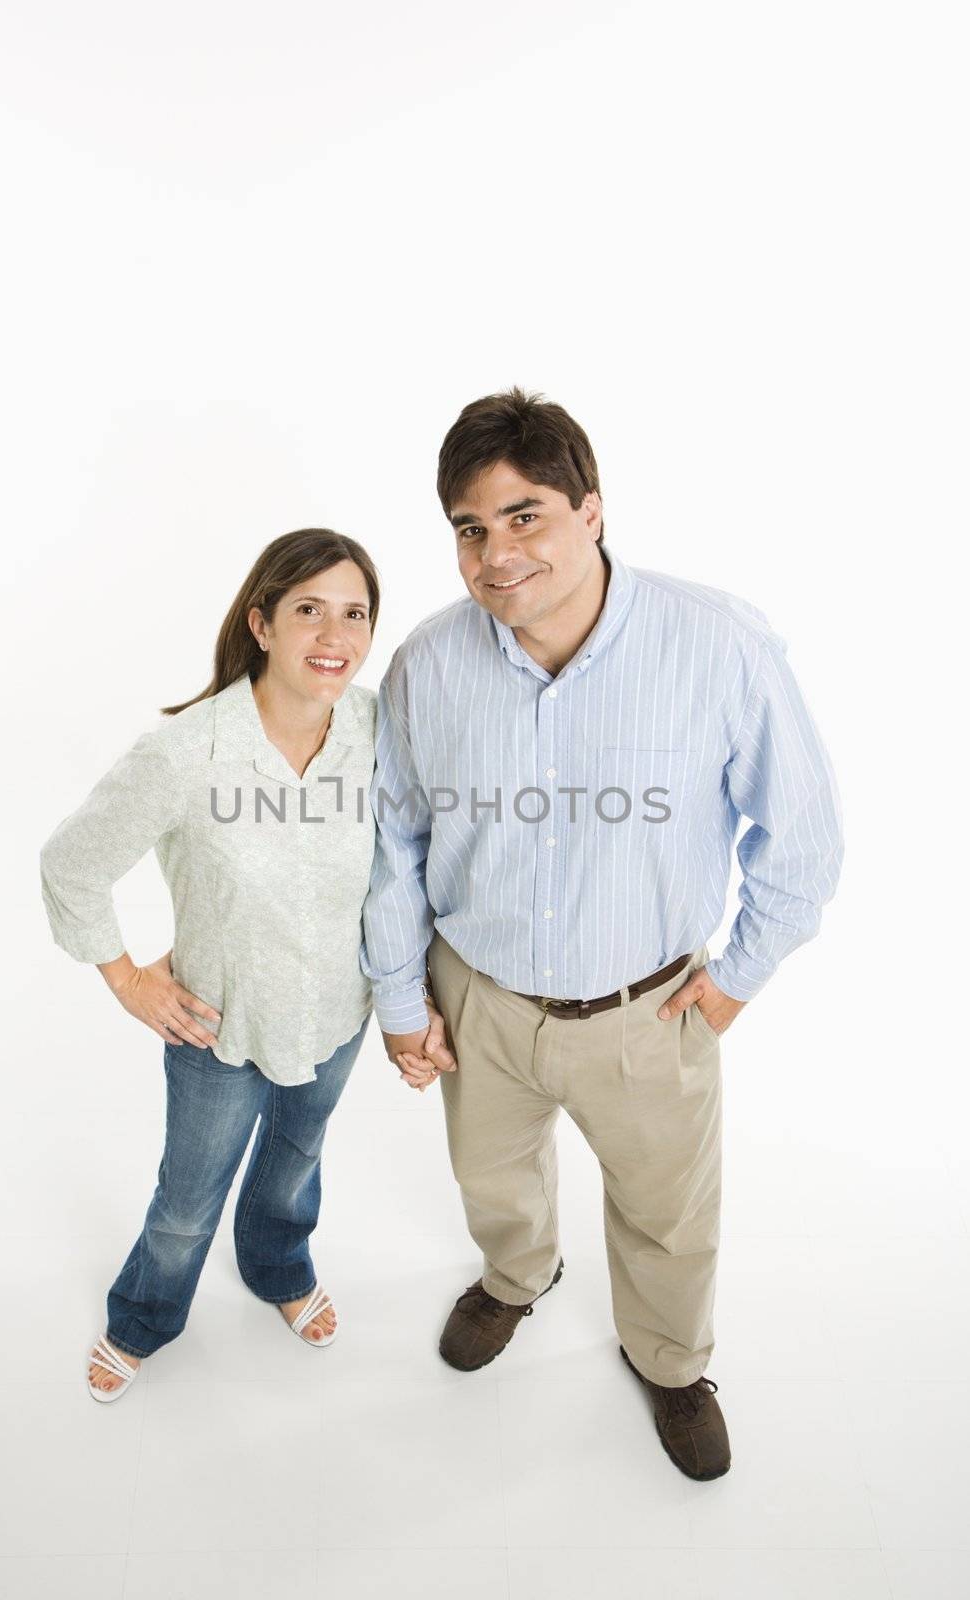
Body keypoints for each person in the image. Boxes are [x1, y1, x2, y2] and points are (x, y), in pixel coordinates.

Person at [360, 388, 843, 1480]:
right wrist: (401, 997)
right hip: (475, 998)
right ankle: (516, 1278)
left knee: (668, 1215)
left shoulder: (715, 644)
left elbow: (803, 835)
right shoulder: (429, 666)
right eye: (469, 529)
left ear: (591, 510)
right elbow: (392, 840)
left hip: (648, 1010)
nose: (495, 553)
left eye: (523, 514)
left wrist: (734, 980)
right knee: (492, 1178)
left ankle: (669, 1362)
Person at [39, 528, 383, 1400]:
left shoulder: (375, 727)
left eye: (354, 614)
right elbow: (71, 863)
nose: (333, 637)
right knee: (187, 1205)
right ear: (262, 623)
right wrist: (126, 979)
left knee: (295, 1162)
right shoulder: (186, 752)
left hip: (338, 1013)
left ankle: (278, 1268)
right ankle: (143, 1316)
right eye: (309, 611)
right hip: (215, 1024)